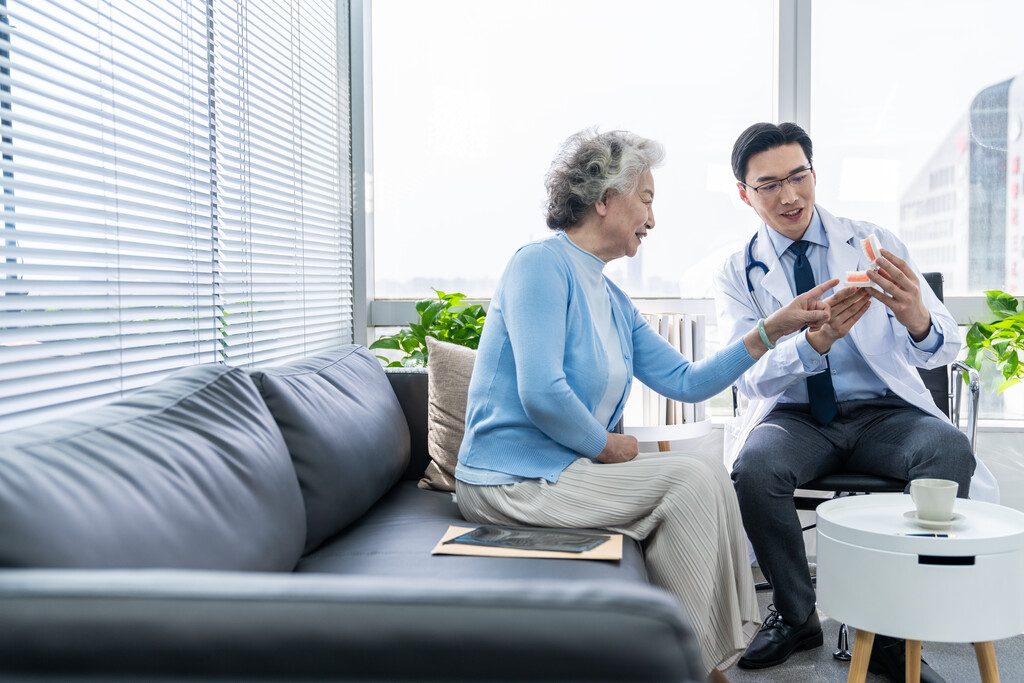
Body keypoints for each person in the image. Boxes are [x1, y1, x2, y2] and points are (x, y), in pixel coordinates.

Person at [454, 127, 837, 682]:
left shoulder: (611, 298)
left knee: (708, 471)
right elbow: (541, 391)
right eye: (647, 200)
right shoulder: (539, 264)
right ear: (604, 198)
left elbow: (688, 380)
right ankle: (697, 669)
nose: (652, 220)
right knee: (684, 484)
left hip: (562, 473)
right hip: (509, 482)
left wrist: (771, 330)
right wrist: (604, 445)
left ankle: (705, 660)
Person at [714, 122, 1000, 683]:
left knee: (946, 452)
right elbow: (745, 377)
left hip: (883, 414)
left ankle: (893, 633)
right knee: (757, 467)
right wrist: (810, 346)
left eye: (798, 176)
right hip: (796, 417)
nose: (789, 195)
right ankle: (797, 616)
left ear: (815, 174)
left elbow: (945, 344)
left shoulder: (875, 243)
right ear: (745, 195)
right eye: (769, 184)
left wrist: (917, 313)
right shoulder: (736, 271)